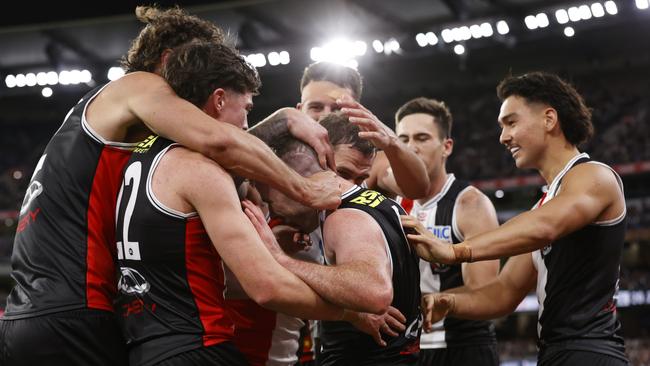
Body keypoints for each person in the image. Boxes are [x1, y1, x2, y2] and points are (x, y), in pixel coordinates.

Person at [0, 6, 339, 366]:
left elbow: (213, 155)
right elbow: (219, 142)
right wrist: (305, 190)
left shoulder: (134, 132)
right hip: (76, 309)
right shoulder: (140, 85)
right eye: (201, 59)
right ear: (167, 59)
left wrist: (279, 122)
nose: (207, 74)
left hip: (40, 312)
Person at [115, 40, 346, 366]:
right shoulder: (201, 169)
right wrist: (352, 313)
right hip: (197, 345)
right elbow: (266, 287)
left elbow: (190, 262)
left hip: (140, 346)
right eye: (247, 110)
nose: (246, 126)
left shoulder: (138, 158)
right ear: (219, 99)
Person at [402, 72, 629, 365]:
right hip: (559, 351)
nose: (503, 136)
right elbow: (503, 292)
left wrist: (455, 251)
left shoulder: (594, 175)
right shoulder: (545, 204)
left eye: (511, 122)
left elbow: (547, 226)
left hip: (590, 351)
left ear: (549, 119)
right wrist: (447, 300)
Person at [248, 113, 422, 366]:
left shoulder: (343, 216)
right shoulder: (378, 203)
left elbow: (373, 292)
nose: (271, 207)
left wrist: (282, 260)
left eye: (271, 198)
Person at [393, 97, 500, 366]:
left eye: (422, 138)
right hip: (404, 347)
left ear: (446, 147)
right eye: (403, 139)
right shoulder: (391, 204)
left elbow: (486, 292)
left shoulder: (470, 204)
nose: (411, 148)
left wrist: (438, 301)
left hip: (461, 347)